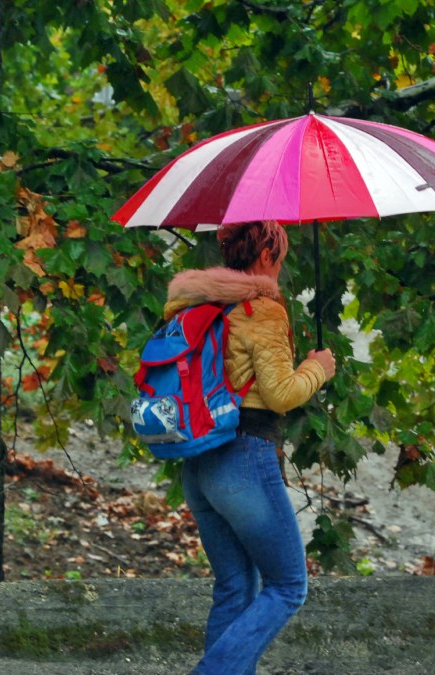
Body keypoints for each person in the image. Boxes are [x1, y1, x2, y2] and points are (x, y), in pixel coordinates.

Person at [162, 220, 336, 675]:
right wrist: (317, 369)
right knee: (288, 586)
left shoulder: (195, 306)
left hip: (198, 462)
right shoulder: (261, 310)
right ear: (265, 257)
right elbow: (279, 394)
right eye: (280, 255)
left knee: (235, 586)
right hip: (244, 458)